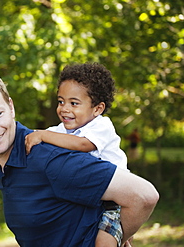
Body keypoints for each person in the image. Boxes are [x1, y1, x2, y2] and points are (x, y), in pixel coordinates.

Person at [0, 68, 159, 246]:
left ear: (11, 107)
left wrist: (118, 235)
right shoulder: (6, 163)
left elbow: (143, 195)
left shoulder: (48, 158)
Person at [25, 62, 127, 246]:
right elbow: (38, 137)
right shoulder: (60, 130)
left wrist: (44, 135)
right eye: (61, 101)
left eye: (74, 103)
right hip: (88, 200)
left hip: (114, 203)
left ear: (97, 109)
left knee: (104, 242)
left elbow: (82, 144)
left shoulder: (101, 125)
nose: (64, 109)